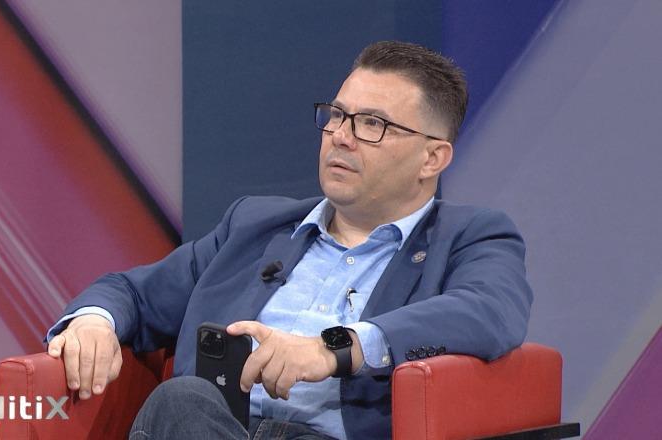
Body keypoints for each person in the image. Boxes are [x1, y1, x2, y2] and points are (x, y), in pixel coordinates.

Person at [45, 41, 532, 440]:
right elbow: (133, 293)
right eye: (337, 115)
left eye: (372, 124)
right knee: (182, 401)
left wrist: (332, 348)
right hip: (206, 427)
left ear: (432, 159)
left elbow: (488, 311)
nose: (341, 136)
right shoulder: (254, 224)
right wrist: (94, 323)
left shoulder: (471, 237)